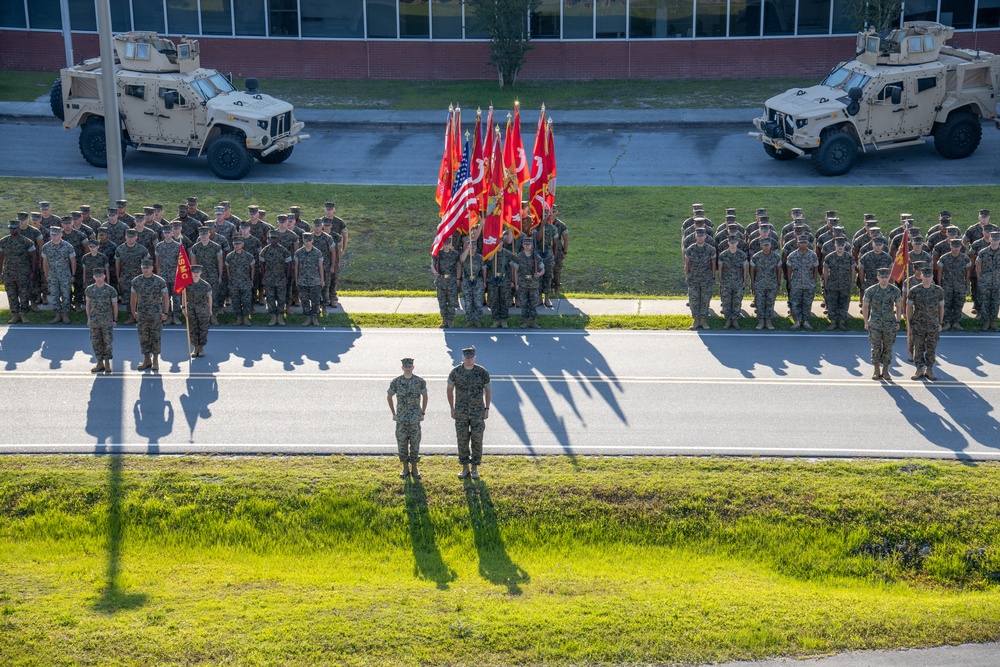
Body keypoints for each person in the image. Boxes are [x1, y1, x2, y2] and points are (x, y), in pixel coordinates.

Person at [447, 346, 491, 481]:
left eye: (471, 357)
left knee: (477, 440)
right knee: (462, 440)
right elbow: (449, 390)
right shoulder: (455, 372)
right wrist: (452, 408)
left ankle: (475, 467)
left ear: (474, 358)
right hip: (461, 412)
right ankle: (465, 467)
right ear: (462, 358)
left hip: (478, 412)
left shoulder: (482, 372)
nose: (469, 359)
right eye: (467, 357)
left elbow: (488, 391)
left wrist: (487, 409)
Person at [387, 357, 428, 480]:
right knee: (402, 444)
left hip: (415, 419)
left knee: (415, 444)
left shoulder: (419, 381)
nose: (408, 368)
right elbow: (389, 397)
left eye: (410, 366)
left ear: (413, 367)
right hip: (402, 420)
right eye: (406, 366)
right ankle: (405, 468)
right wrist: (394, 413)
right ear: (402, 368)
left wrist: (423, 413)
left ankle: (415, 468)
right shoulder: (396, 382)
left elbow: (425, 397)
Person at [862, 267, 902, 381]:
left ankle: (885, 370)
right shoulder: (871, 290)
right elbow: (865, 306)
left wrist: (898, 321)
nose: (884, 279)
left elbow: (899, 306)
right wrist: (866, 321)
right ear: (877, 277)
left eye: (886, 277)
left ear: (889, 277)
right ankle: (876, 370)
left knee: (888, 347)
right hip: (875, 323)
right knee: (875, 347)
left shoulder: (895, 291)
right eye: (882, 277)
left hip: (889, 323)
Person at [131, 258, 169, 371]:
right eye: (143, 268)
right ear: (141, 268)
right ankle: (146, 359)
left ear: (152, 268)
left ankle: (155, 360)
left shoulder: (159, 281)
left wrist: (166, 312)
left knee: (156, 336)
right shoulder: (136, 281)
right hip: (142, 313)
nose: (145, 270)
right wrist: (133, 312)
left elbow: (166, 297)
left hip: (156, 313)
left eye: (147, 268)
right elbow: (133, 298)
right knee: (143, 337)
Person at [907, 267, 945, 380]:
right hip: (918, 323)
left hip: (933, 323)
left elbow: (941, 307)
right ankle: (919, 369)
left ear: (932, 277)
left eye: (929, 277)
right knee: (918, 346)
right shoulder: (914, 290)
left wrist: (940, 323)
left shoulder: (938, 290)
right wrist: (909, 323)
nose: (927, 279)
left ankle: (929, 369)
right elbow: (909, 307)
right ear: (921, 276)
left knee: (931, 347)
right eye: (925, 276)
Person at [0, 220, 38, 323]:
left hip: (23, 273)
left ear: (18, 229)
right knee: (11, 294)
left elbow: (33, 257)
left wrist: (33, 271)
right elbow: (1, 257)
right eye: (10, 228)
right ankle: (15, 315)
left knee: (24, 294)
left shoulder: (27, 241)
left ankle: (24, 315)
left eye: (14, 228)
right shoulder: (3, 241)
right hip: (9, 273)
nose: (12, 230)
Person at [85, 267, 118, 373]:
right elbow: (88, 305)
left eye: (101, 276)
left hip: (107, 320)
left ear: (104, 276)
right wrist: (89, 318)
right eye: (97, 276)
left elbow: (115, 306)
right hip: (94, 320)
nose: (99, 278)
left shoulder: (110, 290)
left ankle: (107, 363)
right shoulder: (89, 289)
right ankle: (100, 363)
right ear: (94, 277)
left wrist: (114, 320)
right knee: (96, 342)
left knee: (107, 342)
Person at [41, 226, 76, 324]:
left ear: (61, 234)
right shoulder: (46, 247)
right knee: (54, 295)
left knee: (66, 295)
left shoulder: (68, 246)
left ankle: (65, 314)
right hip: (52, 276)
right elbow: (45, 262)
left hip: (65, 275)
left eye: (56, 234)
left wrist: (73, 275)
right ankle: (57, 315)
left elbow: (73, 261)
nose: (54, 236)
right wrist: (46, 275)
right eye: (52, 234)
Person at [190, 226, 224, 325]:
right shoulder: (195, 247)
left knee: (214, 296)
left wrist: (220, 276)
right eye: (202, 234)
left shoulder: (216, 246)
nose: (204, 236)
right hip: (200, 276)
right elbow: (193, 263)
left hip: (213, 274)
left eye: (205, 234)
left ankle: (213, 316)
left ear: (209, 234)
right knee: (200, 296)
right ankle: (202, 317)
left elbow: (220, 262)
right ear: (199, 235)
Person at [684, 227, 716, 330]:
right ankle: (696, 320)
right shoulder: (690, 249)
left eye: (702, 235)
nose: (700, 237)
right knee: (694, 300)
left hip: (706, 279)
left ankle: (703, 320)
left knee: (705, 300)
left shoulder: (710, 249)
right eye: (698, 235)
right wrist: (687, 276)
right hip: (694, 279)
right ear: (695, 236)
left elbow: (713, 264)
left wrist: (713, 277)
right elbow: (687, 264)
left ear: (705, 236)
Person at [115, 228, 149, 322]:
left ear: (136, 237)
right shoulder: (120, 249)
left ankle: (140, 316)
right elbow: (117, 263)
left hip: (138, 277)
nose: (130, 239)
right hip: (125, 277)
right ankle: (131, 315)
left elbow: (147, 263)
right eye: (128, 237)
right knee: (127, 296)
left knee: (140, 296)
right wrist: (118, 277)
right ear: (125, 237)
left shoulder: (142, 249)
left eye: (132, 237)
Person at [937, 238, 972, 331]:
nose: (955, 249)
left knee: (959, 303)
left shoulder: (965, 258)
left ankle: (957, 322)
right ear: (950, 246)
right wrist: (939, 284)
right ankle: (947, 322)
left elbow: (968, 271)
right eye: (954, 247)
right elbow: (940, 271)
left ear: (961, 247)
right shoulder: (944, 258)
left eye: (958, 247)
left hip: (960, 285)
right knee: (946, 304)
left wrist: (966, 283)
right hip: (947, 285)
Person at [786, 236, 819, 330]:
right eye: (801, 243)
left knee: (807, 303)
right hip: (796, 283)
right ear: (798, 243)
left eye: (804, 243)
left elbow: (815, 268)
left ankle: (806, 321)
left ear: (807, 243)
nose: (803, 244)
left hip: (808, 283)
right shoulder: (792, 256)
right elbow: (789, 269)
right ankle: (796, 321)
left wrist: (813, 280)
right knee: (795, 303)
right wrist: (789, 281)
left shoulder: (813, 255)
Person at [260, 230, 291, 326]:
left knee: (281, 298)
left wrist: (286, 277)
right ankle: (273, 317)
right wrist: (265, 275)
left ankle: (280, 317)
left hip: (281, 278)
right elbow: (262, 264)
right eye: (271, 238)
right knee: (270, 298)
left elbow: (289, 265)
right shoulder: (265, 250)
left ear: (278, 239)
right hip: (269, 278)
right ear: (269, 239)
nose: (273, 240)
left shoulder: (284, 251)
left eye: (275, 238)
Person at [155, 223, 184, 325]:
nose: (167, 234)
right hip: (163, 275)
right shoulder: (159, 246)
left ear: (172, 233)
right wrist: (158, 274)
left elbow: (181, 262)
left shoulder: (177, 246)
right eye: (165, 233)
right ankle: (167, 316)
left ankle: (176, 316)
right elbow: (157, 261)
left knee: (176, 297)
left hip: (175, 276)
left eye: (168, 233)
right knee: (164, 297)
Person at [823, 238, 855, 330]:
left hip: (845, 284)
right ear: (835, 245)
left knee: (844, 303)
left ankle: (841, 322)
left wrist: (851, 282)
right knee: (832, 303)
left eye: (842, 245)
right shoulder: (829, 257)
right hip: (832, 284)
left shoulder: (849, 257)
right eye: (838, 245)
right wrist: (826, 282)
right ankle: (832, 322)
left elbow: (852, 270)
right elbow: (825, 270)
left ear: (845, 245)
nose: (840, 247)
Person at [487, 229, 516, 328]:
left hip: (504, 280)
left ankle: (504, 320)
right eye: (496, 242)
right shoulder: (491, 253)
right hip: (493, 280)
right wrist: (493, 251)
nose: (498, 243)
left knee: (504, 300)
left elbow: (514, 266)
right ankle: (495, 320)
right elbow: (486, 263)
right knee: (494, 300)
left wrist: (512, 280)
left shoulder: (507, 253)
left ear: (502, 243)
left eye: (499, 242)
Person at [513, 235, 544, 328]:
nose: (527, 246)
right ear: (522, 245)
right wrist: (516, 283)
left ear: (532, 246)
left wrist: (539, 274)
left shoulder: (536, 257)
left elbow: (543, 269)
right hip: (522, 284)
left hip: (533, 284)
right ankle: (525, 322)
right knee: (523, 303)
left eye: (529, 244)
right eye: (525, 244)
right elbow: (515, 271)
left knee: (533, 303)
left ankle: (533, 322)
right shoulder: (519, 257)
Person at [750, 237, 781, 330]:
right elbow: (752, 271)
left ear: (771, 245)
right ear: (761, 246)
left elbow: (779, 271)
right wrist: (752, 283)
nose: (766, 247)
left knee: (770, 303)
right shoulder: (756, 257)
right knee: (759, 303)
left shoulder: (776, 257)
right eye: (764, 245)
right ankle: (760, 321)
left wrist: (778, 283)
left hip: (772, 284)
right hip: (759, 284)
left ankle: (768, 321)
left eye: (768, 245)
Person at [294, 232, 325, 326]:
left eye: (309, 240)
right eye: (305, 240)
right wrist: (296, 280)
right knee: (304, 300)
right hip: (302, 281)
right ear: (303, 240)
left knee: (315, 300)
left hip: (315, 281)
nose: (307, 243)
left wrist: (322, 280)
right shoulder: (298, 252)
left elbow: (320, 267)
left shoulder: (317, 252)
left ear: (312, 240)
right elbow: (296, 267)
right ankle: (307, 317)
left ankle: (314, 317)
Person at [717, 235, 747, 329]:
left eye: (734, 242)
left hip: (738, 282)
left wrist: (744, 281)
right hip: (726, 282)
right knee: (726, 302)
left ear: (737, 243)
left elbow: (744, 269)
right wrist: (721, 281)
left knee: (737, 301)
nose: (733, 244)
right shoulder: (723, 255)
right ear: (728, 243)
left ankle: (735, 321)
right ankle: (727, 320)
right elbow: (720, 269)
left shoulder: (742, 255)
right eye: (731, 242)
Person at [183, 265, 213, 357]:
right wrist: (183, 308)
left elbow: (209, 298)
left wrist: (210, 309)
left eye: (197, 272)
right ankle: (195, 347)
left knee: (203, 329)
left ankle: (201, 348)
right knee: (193, 329)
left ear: (201, 272)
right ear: (191, 273)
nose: (196, 274)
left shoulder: (206, 285)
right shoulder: (187, 284)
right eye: (194, 272)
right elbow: (183, 297)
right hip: (191, 309)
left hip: (203, 309)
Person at [226, 236, 255, 326]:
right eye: (235, 244)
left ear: (242, 244)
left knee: (246, 301)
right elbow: (228, 269)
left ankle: (246, 318)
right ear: (233, 244)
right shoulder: (230, 256)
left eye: (239, 244)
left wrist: (251, 280)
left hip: (245, 282)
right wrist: (230, 279)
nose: (237, 245)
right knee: (235, 301)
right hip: (234, 283)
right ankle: (238, 318)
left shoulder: (248, 256)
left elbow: (252, 269)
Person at [432, 235, 460, 328]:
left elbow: (459, 266)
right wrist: (434, 271)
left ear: (450, 243)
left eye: (448, 243)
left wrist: (458, 278)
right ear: (442, 244)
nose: (446, 245)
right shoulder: (438, 254)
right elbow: (433, 264)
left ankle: (451, 321)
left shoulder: (455, 254)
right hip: (441, 281)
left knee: (452, 302)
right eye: (445, 243)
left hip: (452, 281)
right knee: (442, 302)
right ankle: (444, 320)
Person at [459, 233, 487, 327]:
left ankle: (478, 320)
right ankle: (469, 320)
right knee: (468, 302)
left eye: (474, 246)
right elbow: (461, 260)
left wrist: (484, 282)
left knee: (478, 302)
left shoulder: (480, 257)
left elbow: (484, 270)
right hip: (467, 281)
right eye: (471, 246)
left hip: (478, 281)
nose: (473, 248)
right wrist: (467, 249)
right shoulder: (465, 256)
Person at [977, 231, 1000, 330]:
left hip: (998, 282)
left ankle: (993, 322)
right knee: (985, 302)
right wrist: (979, 280)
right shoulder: (983, 252)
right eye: (993, 239)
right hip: (985, 282)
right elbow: (978, 267)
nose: (995, 242)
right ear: (990, 239)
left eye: (997, 240)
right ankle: (986, 322)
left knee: (995, 303)